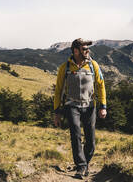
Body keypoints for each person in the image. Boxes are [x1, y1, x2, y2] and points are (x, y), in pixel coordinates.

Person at [53, 38, 107, 179]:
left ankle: (85, 164)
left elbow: (101, 85)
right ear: (76, 51)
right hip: (72, 106)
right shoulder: (65, 68)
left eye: (87, 49)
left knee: (90, 139)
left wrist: (103, 106)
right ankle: (81, 166)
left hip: (90, 107)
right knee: (75, 135)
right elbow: (58, 91)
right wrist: (57, 113)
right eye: (84, 49)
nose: (87, 51)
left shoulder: (94, 65)